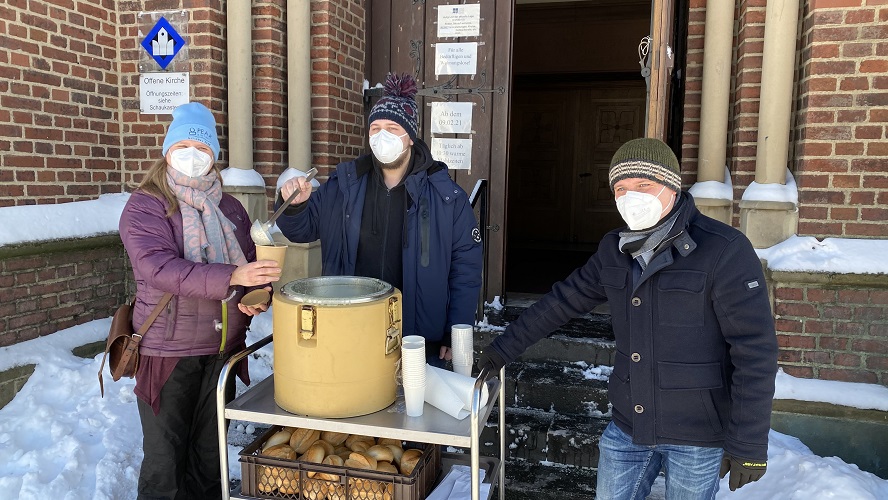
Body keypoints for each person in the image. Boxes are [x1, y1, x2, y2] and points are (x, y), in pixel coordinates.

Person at [478, 138, 778, 499]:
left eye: (643, 185)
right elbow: (560, 302)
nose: (630, 197)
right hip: (628, 427)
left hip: (697, 434)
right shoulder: (614, 249)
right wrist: (500, 350)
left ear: (671, 186)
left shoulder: (724, 250)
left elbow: (755, 350)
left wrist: (748, 443)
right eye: (620, 189)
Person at [119, 102, 281, 499]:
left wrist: (256, 295)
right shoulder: (146, 205)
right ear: (168, 149)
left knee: (209, 460)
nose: (193, 155)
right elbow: (159, 269)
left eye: (203, 148)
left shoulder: (231, 209)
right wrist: (233, 277)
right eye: (184, 145)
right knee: (164, 463)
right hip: (166, 352)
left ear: (214, 156)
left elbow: (249, 266)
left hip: (221, 349)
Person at [276, 72, 483, 367]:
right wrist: (295, 205)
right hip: (350, 330)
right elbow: (302, 229)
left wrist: (457, 330)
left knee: (413, 411)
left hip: (419, 340)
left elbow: (466, 269)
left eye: (391, 127)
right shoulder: (344, 185)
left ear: (410, 137)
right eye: (375, 128)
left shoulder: (446, 198)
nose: (381, 135)